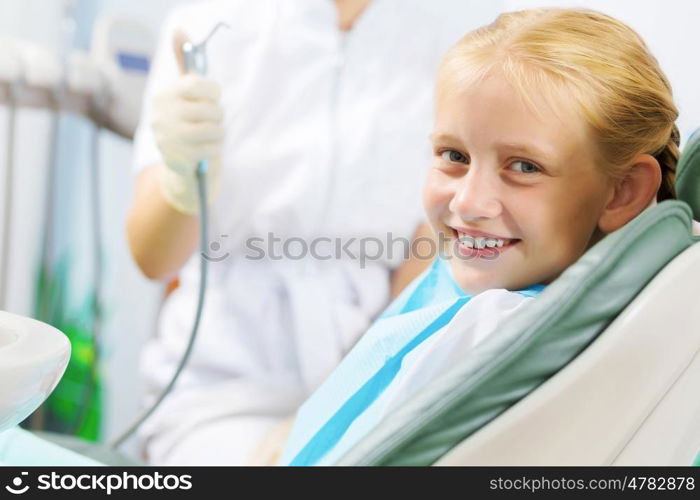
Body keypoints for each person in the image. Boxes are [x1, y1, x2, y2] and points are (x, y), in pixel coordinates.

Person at [278, 7, 700, 465]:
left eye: (524, 166)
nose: (467, 203)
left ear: (623, 191)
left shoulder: (490, 328)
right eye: (453, 154)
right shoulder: (663, 272)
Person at [126, 0, 453, 465]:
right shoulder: (209, 24)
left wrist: (355, 399)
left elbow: (429, 254)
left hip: (371, 383)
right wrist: (180, 178)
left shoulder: (448, 41)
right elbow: (152, 258)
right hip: (222, 390)